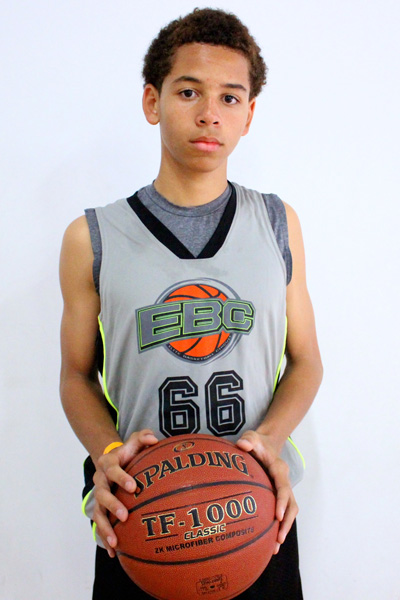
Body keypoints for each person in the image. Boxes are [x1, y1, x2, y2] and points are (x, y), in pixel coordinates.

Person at [59, 7, 323, 599]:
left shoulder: (277, 223)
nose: (209, 113)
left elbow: (306, 361)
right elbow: (76, 375)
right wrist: (107, 452)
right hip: (141, 512)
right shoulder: (91, 237)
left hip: (256, 513)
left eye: (230, 97)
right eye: (188, 92)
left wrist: (270, 439)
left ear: (249, 115)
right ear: (152, 102)